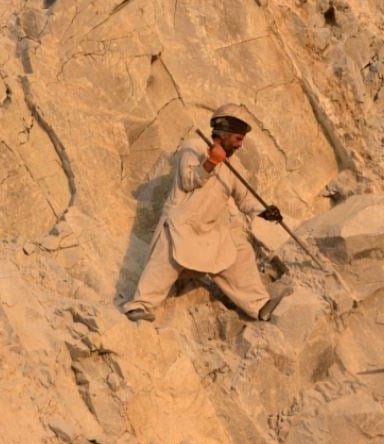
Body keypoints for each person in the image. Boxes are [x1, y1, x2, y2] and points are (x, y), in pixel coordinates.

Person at [123, 103, 289, 322]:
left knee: (239, 252)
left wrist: (265, 211)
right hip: (180, 224)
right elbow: (189, 180)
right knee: (164, 263)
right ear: (226, 134)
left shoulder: (234, 165)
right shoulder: (193, 148)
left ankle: (258, 306)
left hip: (208, 229)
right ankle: (140, 306)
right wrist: (211, 162)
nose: (240, 145)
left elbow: (245, 200)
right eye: (238, 139)